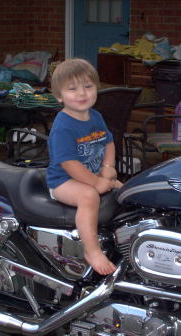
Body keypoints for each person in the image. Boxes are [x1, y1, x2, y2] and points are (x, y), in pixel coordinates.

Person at [47, 58, 122, 275]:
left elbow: (108, 142)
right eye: (72, 89)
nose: (82, 93)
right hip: (64, 181)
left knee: (124, 190)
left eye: (88, 87)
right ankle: (92, 250)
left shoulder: (95, 116)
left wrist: (108, 167)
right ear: (59, 96)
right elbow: (69, 164)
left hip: (94, 173)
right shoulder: (63, 126)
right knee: (89, 197)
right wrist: (97, 182)